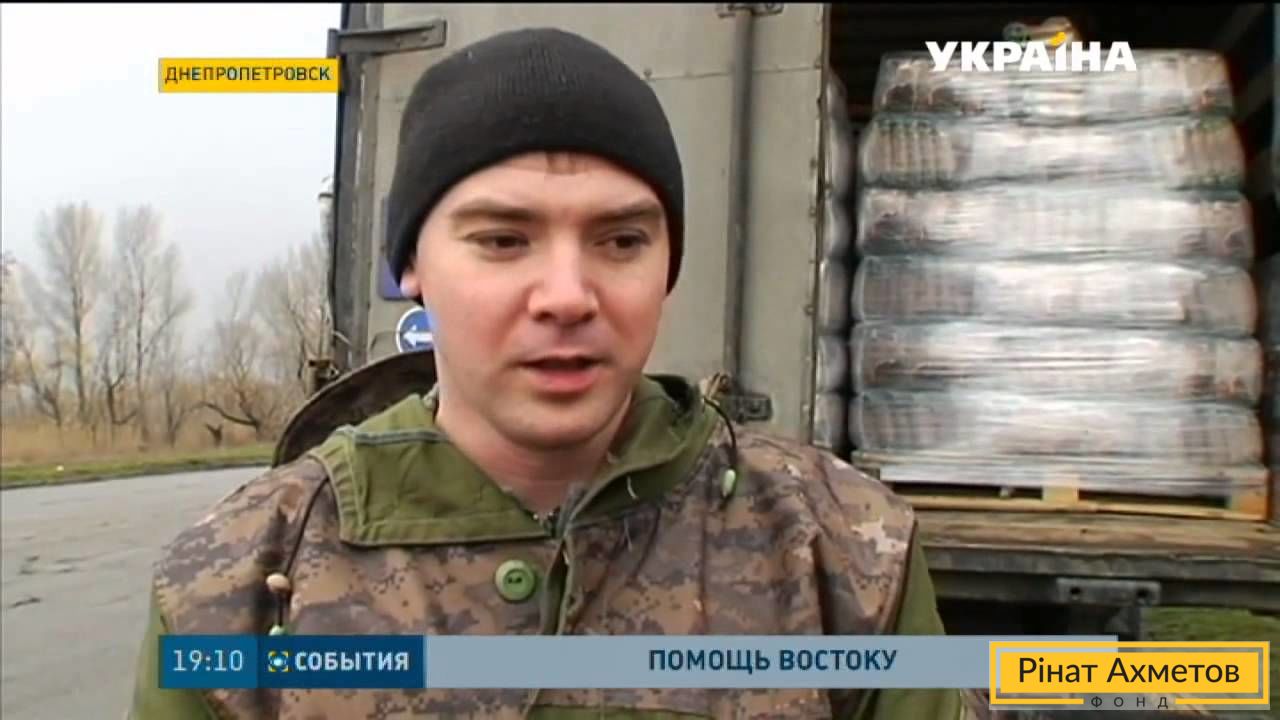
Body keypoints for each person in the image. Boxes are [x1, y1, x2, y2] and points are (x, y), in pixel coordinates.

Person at [129, 27, 992, 719]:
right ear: (412, 266)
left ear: (668, 265)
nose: (569, 296)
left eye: (621, 240)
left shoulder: (840, 551)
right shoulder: (241, 582)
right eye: (504, 240)